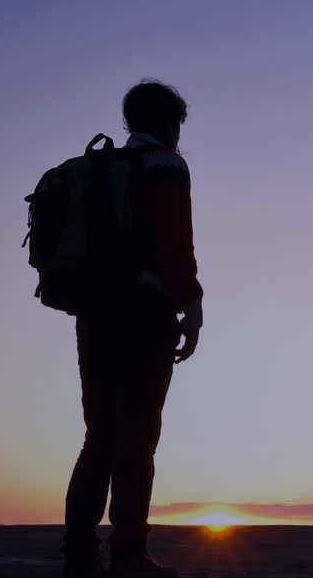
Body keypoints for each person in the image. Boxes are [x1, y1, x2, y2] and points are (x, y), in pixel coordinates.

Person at [61, 80, 204, 578]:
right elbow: (174, 242)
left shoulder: (105, 168)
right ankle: (127, 553)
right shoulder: (165, 164)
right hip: (145, 312)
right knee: (137, 437)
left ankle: (79, 552)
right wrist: (192, 305)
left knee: (98, 434)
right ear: (170, 123)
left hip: (93, 314)